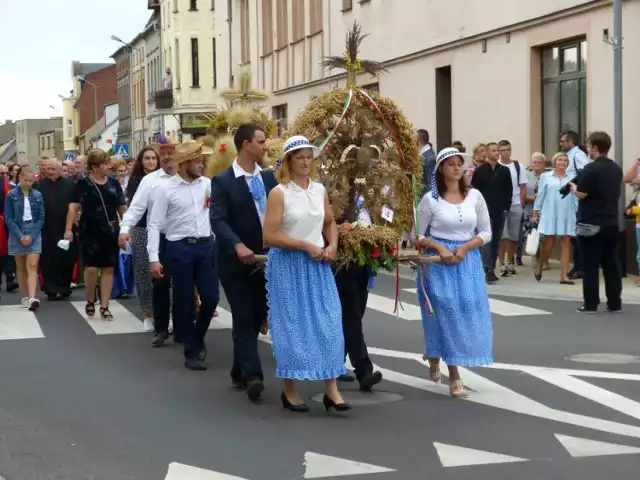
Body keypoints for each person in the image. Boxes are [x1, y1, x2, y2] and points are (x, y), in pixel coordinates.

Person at [263, 135, 350, 413]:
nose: (304, 162)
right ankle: (290, 391)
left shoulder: (319, 189)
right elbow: (269, 235)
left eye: (308, 157)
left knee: (329, 322)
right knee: (291, 325)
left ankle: (332, 390)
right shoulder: (280, 192)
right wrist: (304, 245)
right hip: (289, 265)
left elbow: (328, 221)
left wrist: (333, 244)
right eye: (299, 157)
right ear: (288, 161)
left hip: (318, 264)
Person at [417, 147, 493, 398]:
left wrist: (466, 247)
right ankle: (455, 375)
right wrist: (439, 247)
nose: (457, 167)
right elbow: (416, 234)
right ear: (440, 169)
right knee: (447, 311)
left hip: (467, 260)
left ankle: (435, 351)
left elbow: (486, 231)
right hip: (438, 263)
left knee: (467, 308)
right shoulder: (430, 199)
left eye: (460, 163)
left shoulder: (475, 196)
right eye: (450, 164)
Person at [211, 123, 274, 402]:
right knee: (244, 314)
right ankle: (253, 375)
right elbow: (218, 219)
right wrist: (237, 245)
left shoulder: (269, 179)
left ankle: (238, 369)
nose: (265, 146)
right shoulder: (224, 181)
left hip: (265, 261)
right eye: (261, 141)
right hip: (235, 262)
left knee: (258, 315)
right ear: (246, 144)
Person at [148, 140, 218, 370]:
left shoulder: (207, 184)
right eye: (198, 160)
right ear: (186, 162)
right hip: (179, 248)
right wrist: (153, 258)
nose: (202, 164)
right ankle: (191, 352)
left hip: (205, 246)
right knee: (185, 300)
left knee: (210, 298)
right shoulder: (165, 189)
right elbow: (155, 224)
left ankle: (197, 337)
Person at [119, 142, 178, 345]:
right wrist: (125, 229)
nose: (168, 158)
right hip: (156, 235)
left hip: (184, 239)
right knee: (156, 279)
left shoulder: (194, 181)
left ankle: (179, 323)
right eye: (164, 155)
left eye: (172, 154)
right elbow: (135, 209)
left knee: (183, 283)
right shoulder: (150, 181)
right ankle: (156, 323)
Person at [64, 149, 128, 319]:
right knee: (91, 268)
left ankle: (105, 305)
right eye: (105, 164)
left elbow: (122, 206)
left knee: (108, 268)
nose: (109, 166)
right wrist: (68, 229)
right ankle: (90, 299)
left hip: (110, 230)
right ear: (94, 167)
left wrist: (127, 228)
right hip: (89, 230)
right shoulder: (83, 183)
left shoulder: (114, 183)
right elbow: (73, 206)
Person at [570, 131, 623, 313]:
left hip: (591, 223)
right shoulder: (616, 169)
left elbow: (582, 193)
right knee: (611, 264)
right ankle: (615, 303)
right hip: (611, 223)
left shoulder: (590, 169)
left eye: (589, 146)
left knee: (590, 265)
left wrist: (572, 187)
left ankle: (591, 303)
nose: (588, 150)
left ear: (595, 148)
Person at [119, 147, 159, 330]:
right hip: (141, 229)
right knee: (143, 272)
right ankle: (148, 314)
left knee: (163, 273)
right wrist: (127, 229)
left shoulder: (165, 180)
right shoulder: (135, 181)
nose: (151, 161)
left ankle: (166, 312)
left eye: (153, 158)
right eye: (147, 158)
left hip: (160, 230)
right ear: (141, 161)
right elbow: (133, 208)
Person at [532, 152, 578, 284]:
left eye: (565, 160)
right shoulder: (545, 176)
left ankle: (564, 275)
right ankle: (541, 263)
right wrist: (535, 212)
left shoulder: (572, 177)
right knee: (549, 242)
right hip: (550, 212)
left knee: (566, 242)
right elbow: (540, 195)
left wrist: (577, 212)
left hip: (567, 212)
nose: (562, 162)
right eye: (560, 160)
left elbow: (575, 197)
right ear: (554, 162)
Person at [35, 159, 77, 299]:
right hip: (45, 227)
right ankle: (50, 289)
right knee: (47, 259)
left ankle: (64, 287)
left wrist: (69, 229)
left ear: (60, 170)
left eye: (53, 169)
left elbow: (72, 208)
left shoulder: (70, 185)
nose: (50, 172)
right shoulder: (39, 185)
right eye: (48, 169)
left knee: (66, 257)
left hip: (64, 226)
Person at [4, 166, 45, 310]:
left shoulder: (38, 195)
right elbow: (8, 218)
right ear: (20, 177)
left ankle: (33, 297)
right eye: (26, 180)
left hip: (33, 229)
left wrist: (31, 235)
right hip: (17, 231)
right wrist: (20, 236)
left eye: (31, 180)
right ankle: (24, 297)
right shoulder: (11, 195)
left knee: (32, 265)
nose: (28, 183)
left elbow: (41, 218)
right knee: (21, 267)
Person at [471, 142, 512, 283]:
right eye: (493, 150)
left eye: (497, 150)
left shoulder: (504, 171)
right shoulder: (481, 171)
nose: (496, 153)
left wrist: (506, 207)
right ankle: (487, 268)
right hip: (484, 210)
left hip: (499, 210)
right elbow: (474, 191)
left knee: (496, 239)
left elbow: (509, 190)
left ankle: (491, 266)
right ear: (487, 153)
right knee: (486, 239)